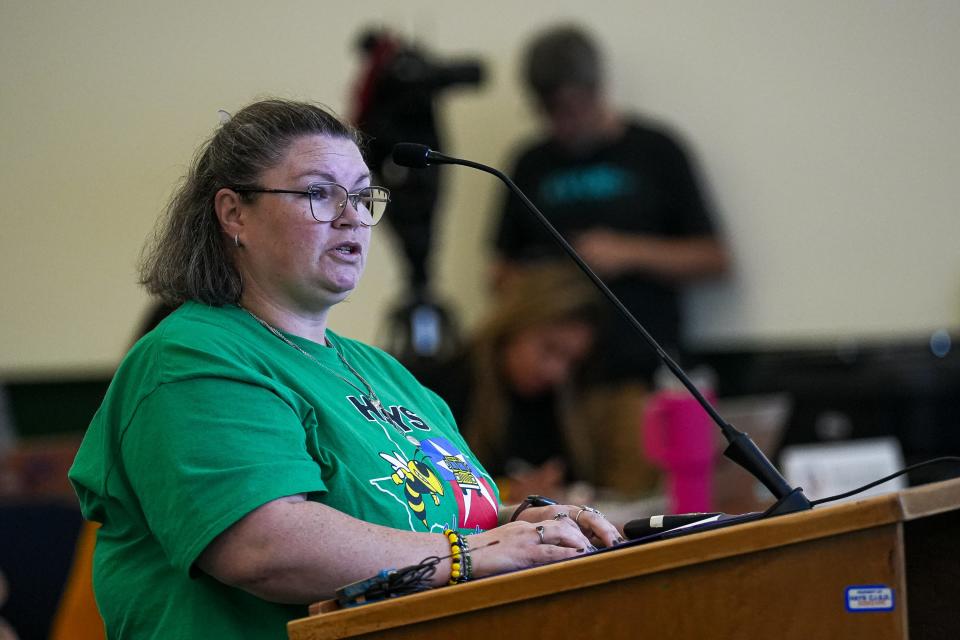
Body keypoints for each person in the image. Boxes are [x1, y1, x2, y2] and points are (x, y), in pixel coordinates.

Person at [68, 99, 620, 639]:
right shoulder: (192, 356)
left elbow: (427, 516)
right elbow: (265, 547)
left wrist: (522, 523)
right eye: (317, 193)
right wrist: (476, 552)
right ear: (234, 213)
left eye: (361, 195)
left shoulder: (385, 372)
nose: (353, 216)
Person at [492, 25, 729, 495]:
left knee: (635, 516)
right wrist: (544, 288)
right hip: (554, 390)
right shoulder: (530, 163)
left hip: (637, 383)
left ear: (598, 89)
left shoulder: (656, 150)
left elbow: (715, 257)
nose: (561, 124)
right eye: (548, 112)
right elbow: (500, 271)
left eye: (570, 109)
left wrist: (628, 251)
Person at [413, 264, 601, 503]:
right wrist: (509, 492)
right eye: (549, 349)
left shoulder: (553, 400)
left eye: (572, 362)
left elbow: (571, 480)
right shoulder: (445, 385)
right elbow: (431, 481)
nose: (557, 372)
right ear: (512, 327)